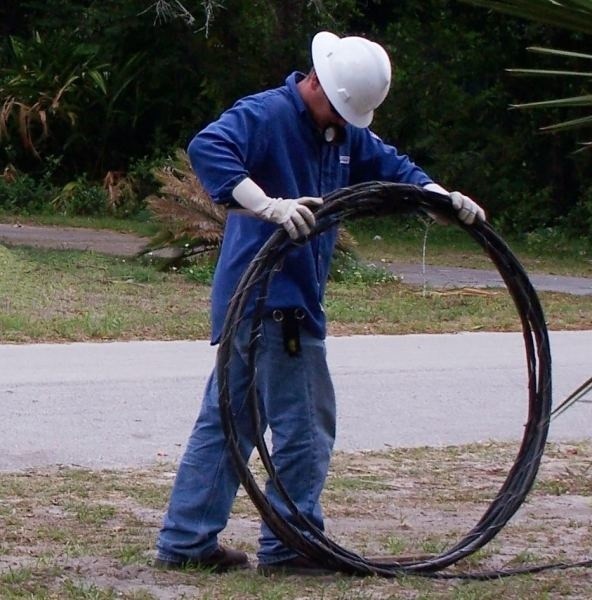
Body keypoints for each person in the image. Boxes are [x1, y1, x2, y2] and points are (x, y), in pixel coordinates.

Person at [155, 31, 485, 576]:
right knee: (306, 424)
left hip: (266, 301)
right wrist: (267, 205)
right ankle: (291, 546)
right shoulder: (267, 114)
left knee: (229, 424)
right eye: (339, 107)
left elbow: (394, 170)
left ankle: (187, 540)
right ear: (317, 82)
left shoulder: (338, 134)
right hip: (271, 300)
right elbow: (207, 147)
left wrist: (440, 198)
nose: (344, 119)